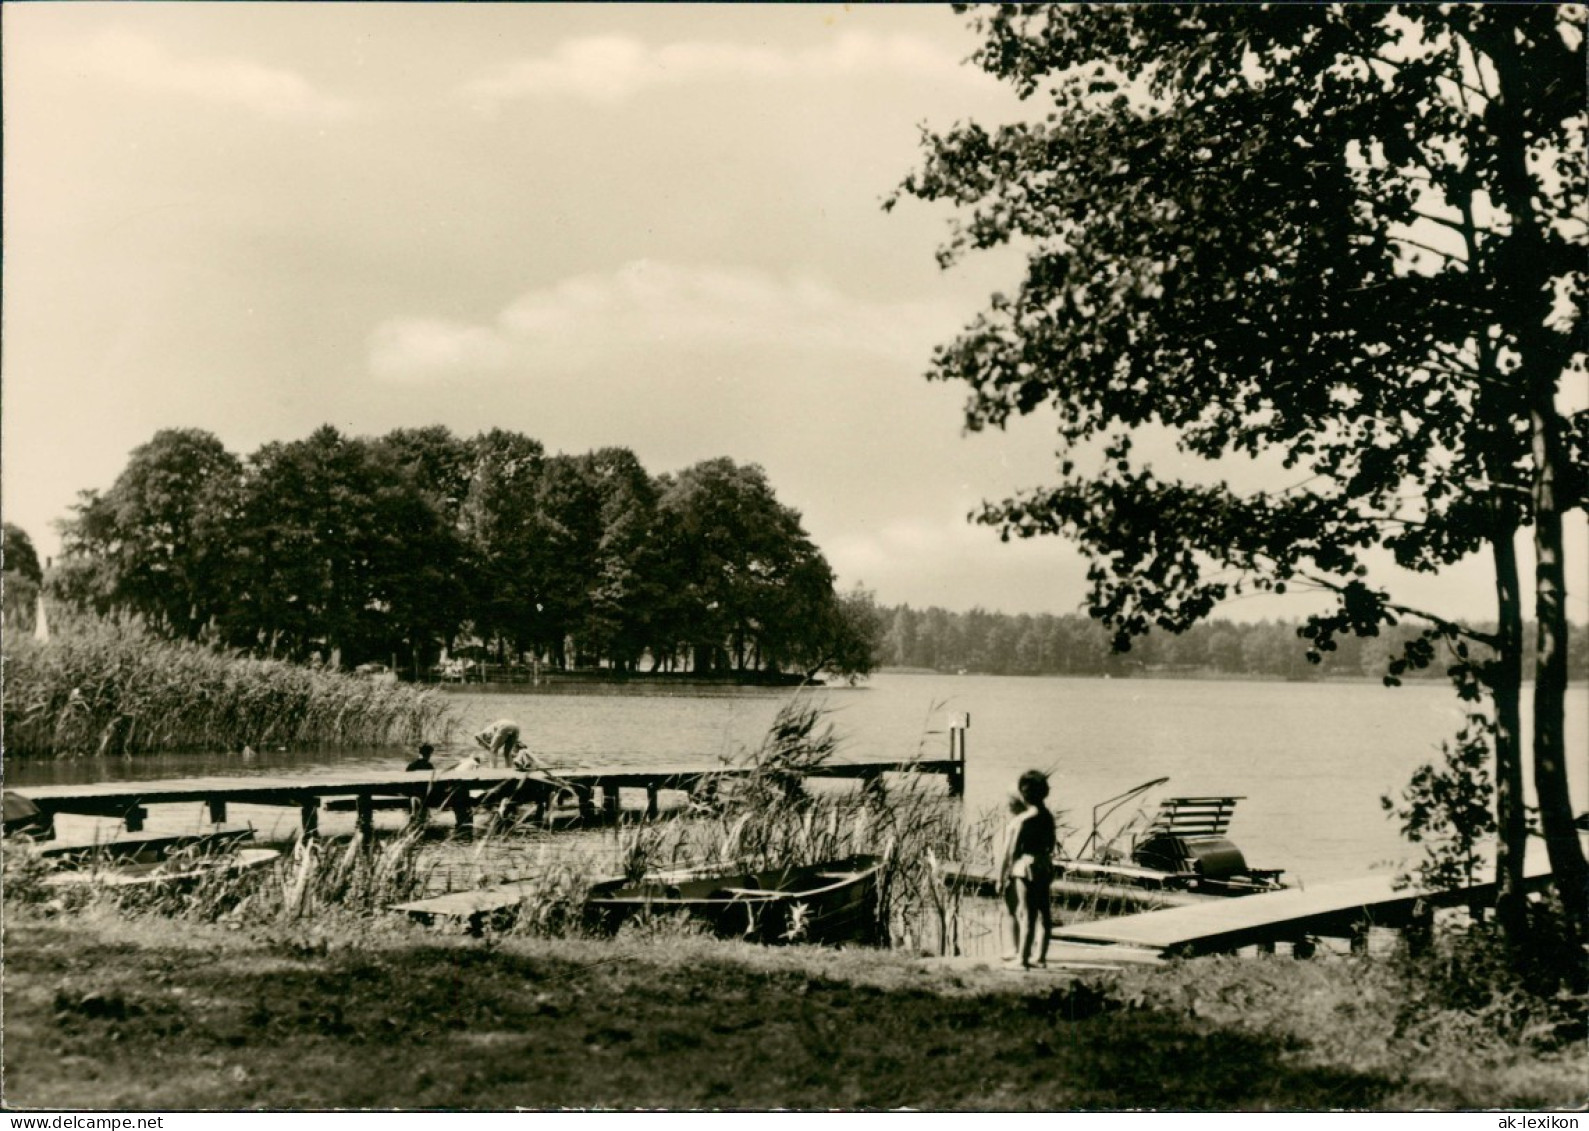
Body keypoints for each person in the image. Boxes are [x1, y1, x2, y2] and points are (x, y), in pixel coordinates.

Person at [998, 769, 1056, 970]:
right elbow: (1051, 844)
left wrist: (1002, 876)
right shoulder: (1048, 816)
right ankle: (1040, 957)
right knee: (1044, 913)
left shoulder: (1023, 820)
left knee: (1027, 913)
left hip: (1026, 868)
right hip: (1044, 864)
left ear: (1023, 794)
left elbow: (1012, 851)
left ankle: (1021, 959)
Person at [473, 718, 539, 770]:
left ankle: (493, 769)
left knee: (493, 750)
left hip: (504, 726)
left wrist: (487, 745)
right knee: (507, 752)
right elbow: (494, 745)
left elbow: (476, 735)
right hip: (516, 727)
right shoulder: (491, 734)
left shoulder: (484, 733)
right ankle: (509, 768)